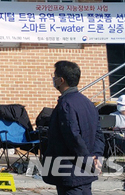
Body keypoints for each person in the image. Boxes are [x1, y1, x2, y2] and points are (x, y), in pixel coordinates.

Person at [43, 61, 104, 195]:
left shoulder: (66, 104)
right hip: (86, 172)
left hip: (70, 172)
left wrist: (88, 159)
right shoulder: (88, 103)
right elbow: (99, 134)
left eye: (54, 76)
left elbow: (72, 136)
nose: (53, 79)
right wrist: (96, 157)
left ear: (61, 80)